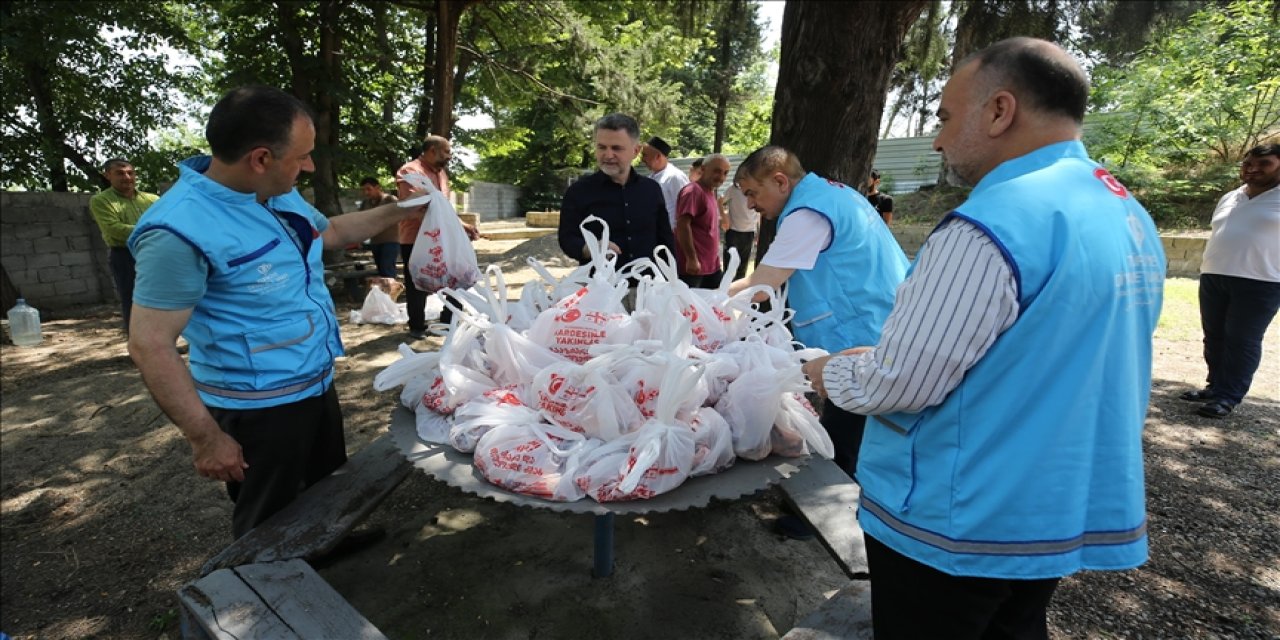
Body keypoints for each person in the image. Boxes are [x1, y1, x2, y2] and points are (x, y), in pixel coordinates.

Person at [800, 38, 1166, 639]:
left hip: (962, 517)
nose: (939, 139)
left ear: (1000, 111)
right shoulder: (1121, 209)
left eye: (944, 118)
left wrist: (826, 370)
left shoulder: (990, 223)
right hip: (1051, 504)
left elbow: (898, 383)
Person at [127, 86, 426, 540]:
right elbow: (150, 343)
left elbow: (330, 233)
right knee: (268, 519)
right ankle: (265, 596)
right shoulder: (179, 230)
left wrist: (408, 208)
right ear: (261, 157)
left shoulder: (275, 193)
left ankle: (327, 545)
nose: (308, 166)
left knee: (327, 488)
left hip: (312, 382)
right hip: (258, 407)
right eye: (302, 156)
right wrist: (206, 438)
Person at [728, 147, 908, 481]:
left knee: (846, 425)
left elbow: (763, 283)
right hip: (879, 316)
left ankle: (834, 501)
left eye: (753, 193)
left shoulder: (807, 213)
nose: (750, 205)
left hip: (858, 328)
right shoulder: (834, 195)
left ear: (780, 181)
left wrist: (697, 303)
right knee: (858, 423)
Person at [1180, 143, 1280, 419]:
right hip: (1215, 274)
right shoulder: (1231, 196)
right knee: (1214, 335)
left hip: (1261, 280)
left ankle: (1228, 396)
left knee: (1242, 339)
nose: (1253, 169)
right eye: (1248, 163)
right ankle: (1215, 386)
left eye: (1264, 164)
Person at [558, 113, 675, 279]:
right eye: (601, 147)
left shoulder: (652, 189)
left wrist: (672, 282)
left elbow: (665, 240)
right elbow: (567, 238)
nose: (608, 155)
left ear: (635, 151)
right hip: (601, 291)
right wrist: (588, 248)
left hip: (648, 289)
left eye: (616, 148)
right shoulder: (578, 191)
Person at [396, 135, 479, 338]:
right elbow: (416, 205)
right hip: (415, 238)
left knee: (457, 276)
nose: (450, 156)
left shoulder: (441, 174)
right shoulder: (411, 171)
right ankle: (416, 326)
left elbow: (444, 209)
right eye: (447, 151)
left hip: (443, 239)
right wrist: (449, 224)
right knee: (417, 282)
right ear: (432, 150)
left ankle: (448, 320)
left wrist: (462, 226)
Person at [88, 158, 159, 333]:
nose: (127, 177)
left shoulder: (152, 199)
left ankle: (163, 342)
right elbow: (114, 229)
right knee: (133, 300)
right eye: (120, 173)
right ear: (107, 175)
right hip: (126, 256)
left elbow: (169, 222)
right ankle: (138, 347)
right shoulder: (101, 201)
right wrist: (153, 229)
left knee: (163, 298)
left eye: (130, 172)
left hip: (156, 254)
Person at [674, 154, 730, 288]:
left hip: (710, 266)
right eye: (717, 171)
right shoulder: (693, 191)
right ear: (703, 169)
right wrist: (691, 258)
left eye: (725, 173)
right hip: (693, 268)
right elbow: (682, 225)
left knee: (718, 303)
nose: (721, 177)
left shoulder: (709, 192)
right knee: (691, 307)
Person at [641, 136, 690, 230]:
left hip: (672, 235)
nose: (642, 159)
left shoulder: (675, 176)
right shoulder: (651, 178)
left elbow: (685, 210)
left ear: (658, 156)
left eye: (645, 155)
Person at [359, 177, 399, 278]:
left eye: (368, 189)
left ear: (377, 187)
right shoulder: (365, 203)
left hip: (391, 240)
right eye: (363, 190)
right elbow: (361, 220)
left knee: (387, 269)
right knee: (381, 270)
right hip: (375, 241)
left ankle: (391, 291)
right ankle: (384, 292)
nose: (366, 192)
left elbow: (400, 216)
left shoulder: (390, 200)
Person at [720, 184, 757, 280]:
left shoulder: (757, 189)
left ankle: (738, 292)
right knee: (730, 266)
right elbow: (720, 201)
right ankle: (727, 291)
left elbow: (759, 212)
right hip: (733, 232)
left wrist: (758, 231)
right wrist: (724, 217)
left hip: (749, 232)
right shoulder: (733, 189)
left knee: (742, 266)